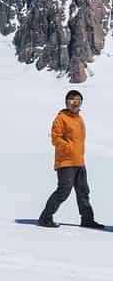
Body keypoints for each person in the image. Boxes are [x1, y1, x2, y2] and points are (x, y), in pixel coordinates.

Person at [38, 90, 105, 229]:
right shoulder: (61, 118)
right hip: (66, 162)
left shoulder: (79, 119)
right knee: (64, 191)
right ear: (67, 102)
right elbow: (56, 139)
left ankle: (87, 219)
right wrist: (69, 148)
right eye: (72, 101)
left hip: (79, 162)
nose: (75, 104)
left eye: (78, 101)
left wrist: (77, 153)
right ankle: (45, 218)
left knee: (83, 192)